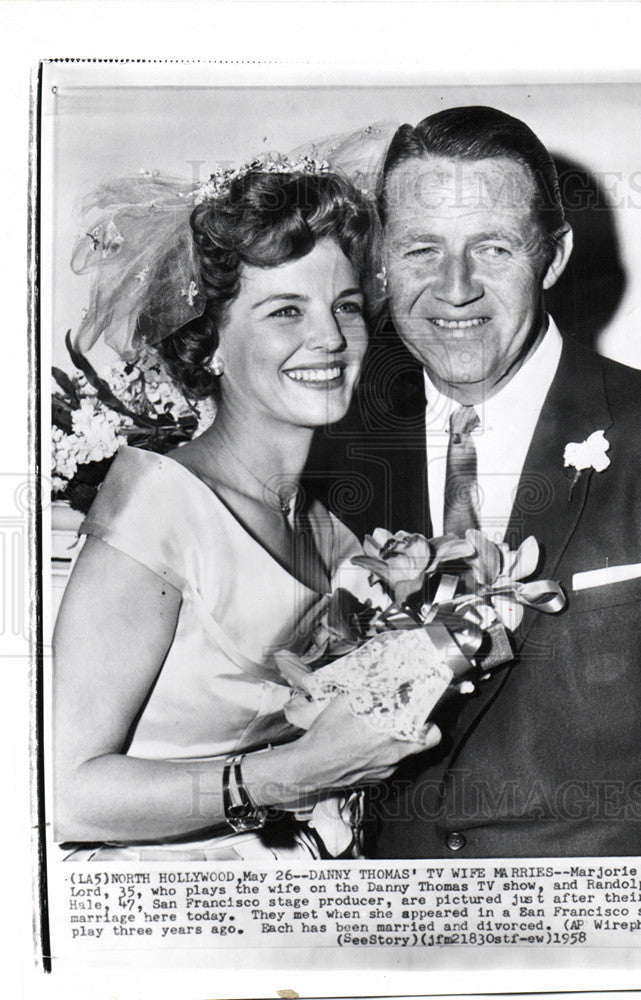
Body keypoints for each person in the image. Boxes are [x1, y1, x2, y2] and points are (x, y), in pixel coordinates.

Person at [309, 106, 641, 858]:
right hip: (391, 925)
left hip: (601, 932)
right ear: (382, 259)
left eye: (492, 247)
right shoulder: (325, 449)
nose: (455, 290)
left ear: (551, 258)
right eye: (422, 249)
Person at [53, 165, 440, 862]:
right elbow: (66, 795)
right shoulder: (157, 505)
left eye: (346, 306)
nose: (329, 338)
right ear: (213, 339)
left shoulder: (332, 529)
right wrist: (288, 777)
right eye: (285, 310)